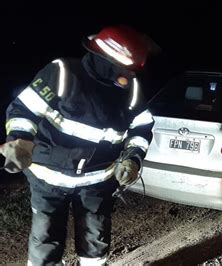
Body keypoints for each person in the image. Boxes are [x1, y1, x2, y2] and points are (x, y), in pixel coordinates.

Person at [0, 25, 158, 265]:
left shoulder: (131, 91)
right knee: (46, 239)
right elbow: (24, 109)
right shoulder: (62, 73)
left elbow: (142, 125)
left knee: (95, 239)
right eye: (125, 69)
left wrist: (133, 157)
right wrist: (20, 140)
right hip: (48, 179)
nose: (127, 76)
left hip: (96, 181)